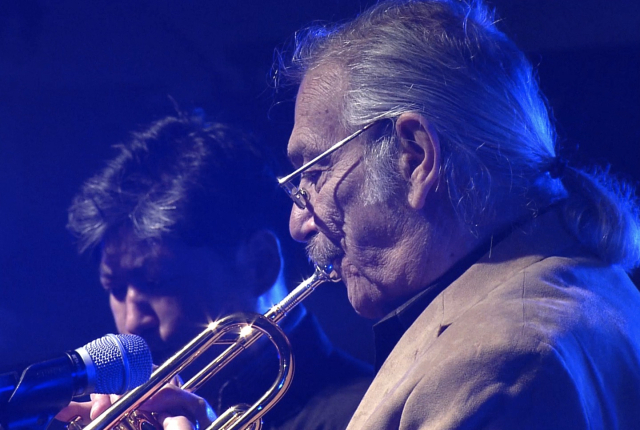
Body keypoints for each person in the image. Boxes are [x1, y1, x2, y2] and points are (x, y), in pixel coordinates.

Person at [274, 0, 640, 428]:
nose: (298, 225)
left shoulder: (493, 363)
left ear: (415, 157)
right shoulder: (593, 285)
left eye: (314, 175)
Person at [59, 114, 372, 429]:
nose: (131, 325)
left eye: (156, 281)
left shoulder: (367, 414)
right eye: (114, 289)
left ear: (260, 264)